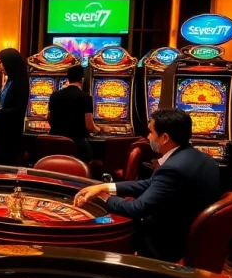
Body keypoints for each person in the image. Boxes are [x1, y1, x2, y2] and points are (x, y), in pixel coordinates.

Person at [74, 108, 220, 262]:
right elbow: (151, 183)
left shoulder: (174, 168)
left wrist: (103, 198)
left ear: (164, 138)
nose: (148, 137)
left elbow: (136, 209)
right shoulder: (203, 159)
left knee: (106, 240)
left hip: (167, 245)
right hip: (194, 237)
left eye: (151, 132)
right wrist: (105, 187)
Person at [0, 49, 29, 166]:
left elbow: (17, 111)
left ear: (10, 63)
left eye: (1, 62)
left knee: (4, 168)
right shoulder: (10, 80)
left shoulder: (21, 82)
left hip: (9, 134)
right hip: (0, 130)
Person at [47, 65, 99, 162]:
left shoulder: (54, 95)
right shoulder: (85, 97)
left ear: (68, 79)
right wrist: (99, 129)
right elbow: (89, 127)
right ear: (82, 80)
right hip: (76, 145)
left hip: (55, 143)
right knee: (94, 156)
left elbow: (49, 118)